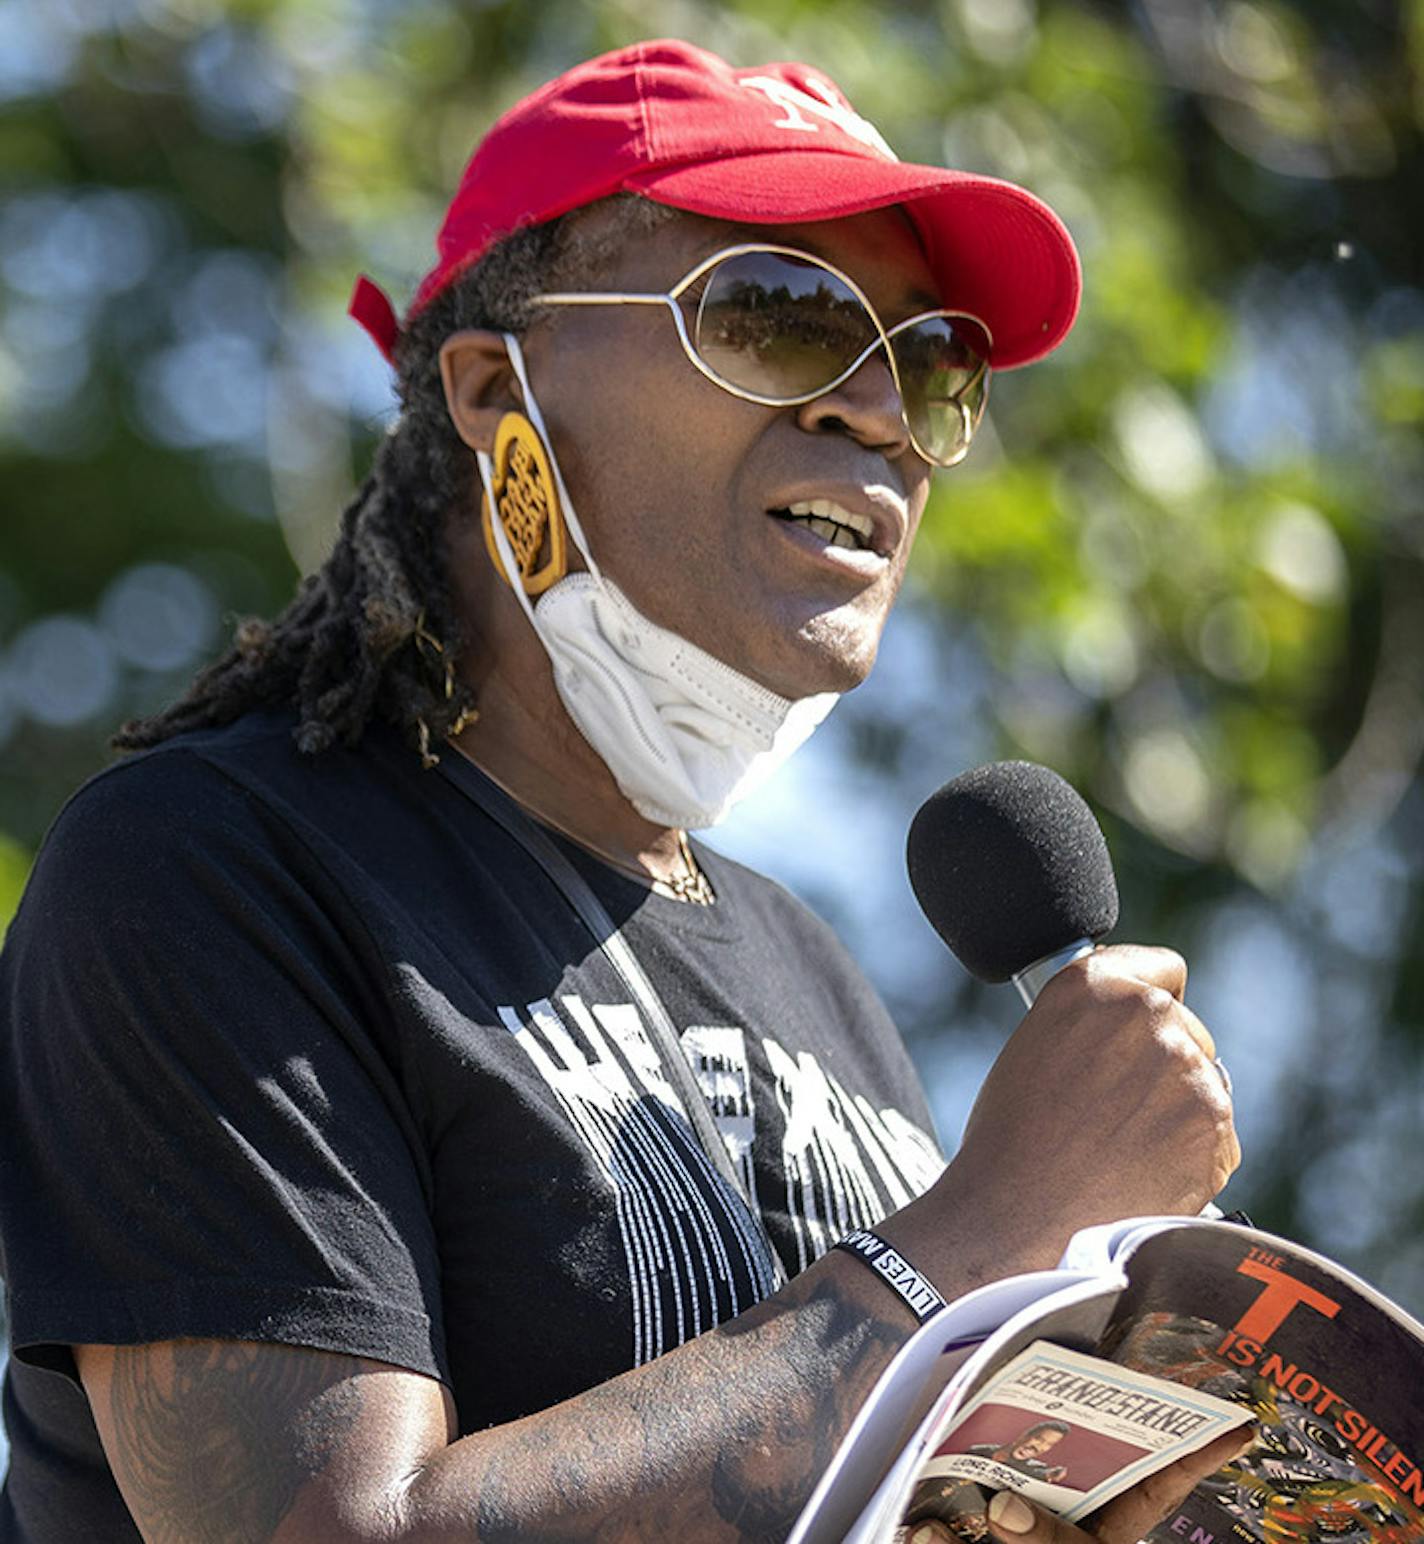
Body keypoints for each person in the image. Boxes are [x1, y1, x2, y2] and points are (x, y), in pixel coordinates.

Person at [0, 38, 1241, 1544]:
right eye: (779, 318)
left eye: (930, 364)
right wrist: (973, 1240)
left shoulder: (823, 985)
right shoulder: (210, 871)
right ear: (489, 387)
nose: (876, 413)